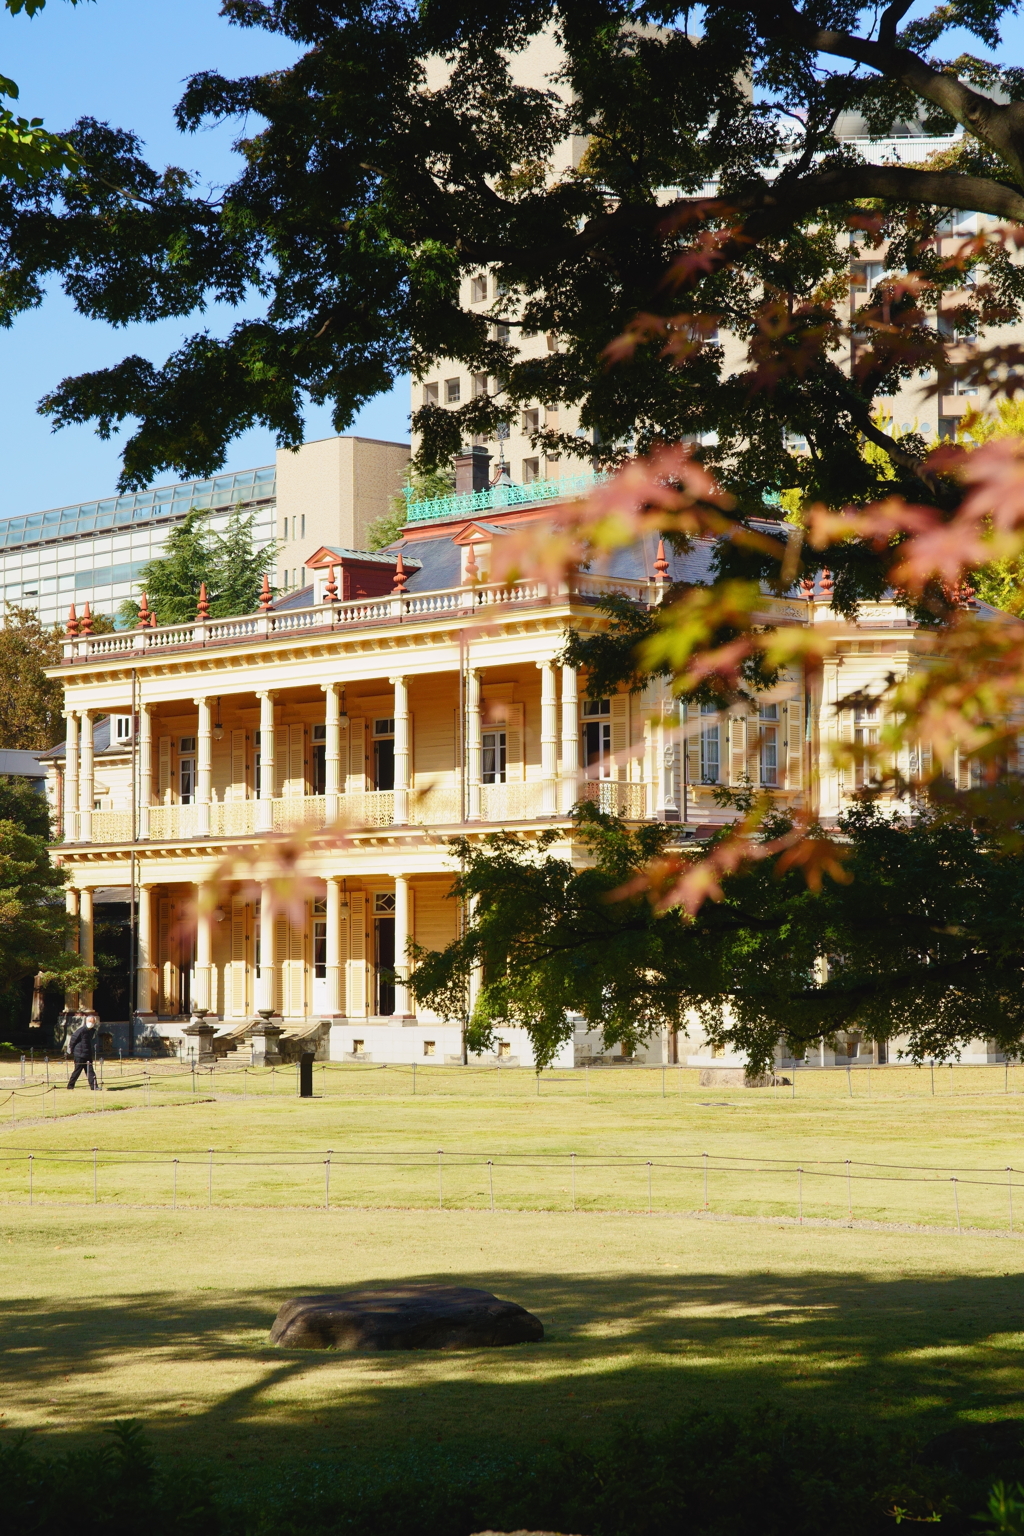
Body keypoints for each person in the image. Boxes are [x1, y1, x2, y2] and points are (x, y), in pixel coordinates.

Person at [67, 1013, 100, 1090]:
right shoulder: (81, 1030)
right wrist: (70, 1050)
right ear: (87, 1021)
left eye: (93, 1022)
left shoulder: (91, 1031)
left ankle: (94, 1087)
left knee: (90, 1071)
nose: (92, 1023)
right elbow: (73, 1039)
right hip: (79, 1054)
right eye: (90, 1021)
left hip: (87, 1054)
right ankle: (70, 1086)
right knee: (77, 1071)